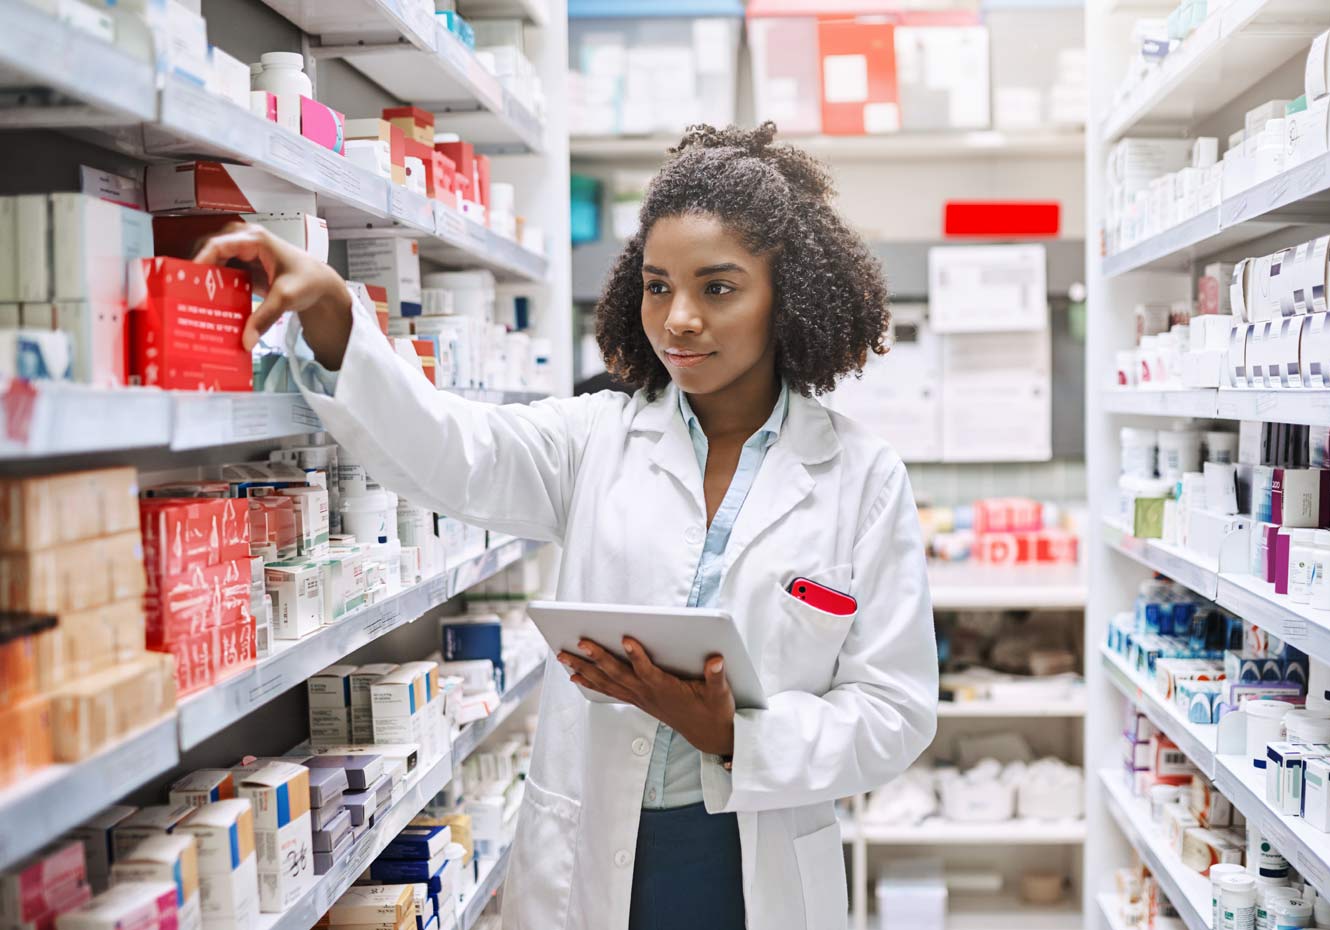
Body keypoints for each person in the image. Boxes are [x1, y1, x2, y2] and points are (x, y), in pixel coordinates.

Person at [195, 122, 938, 930]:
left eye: (717, 288)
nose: (679, 318)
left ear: (784, 296)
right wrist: (339, 320)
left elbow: (894, 709)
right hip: (596, 851)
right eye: (658, 286)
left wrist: (733, 734)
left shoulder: (861, 477)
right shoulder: (597, 439)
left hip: (757, 859)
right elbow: (452, 452)